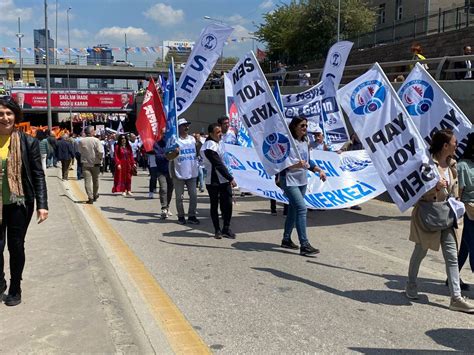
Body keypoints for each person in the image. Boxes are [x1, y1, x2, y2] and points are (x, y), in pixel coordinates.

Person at [405, 129, 474, 313]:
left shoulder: (453, 165)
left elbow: (455, 190)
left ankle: (456, 298)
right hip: (429, 216)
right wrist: (434, 188)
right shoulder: (426, 163)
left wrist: (456, 201)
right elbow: (417, 191)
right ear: (445, 146)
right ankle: (411, 284)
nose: (457, 145)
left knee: (452, 257)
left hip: (448, 216)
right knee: (420, 251)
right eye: (454, 143)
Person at [0, 97, 48, 306]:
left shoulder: (29, 142)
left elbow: (38, 174)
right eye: (1, 113)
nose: (5, 117)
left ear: (15, 116)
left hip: (20, 202)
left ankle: (15, 287)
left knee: (15, 246)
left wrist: (43, 204)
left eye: (9, 113)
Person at [279, 117, 327, 256]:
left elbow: (307, 161)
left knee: (294, 211)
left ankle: (286, 239)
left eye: (306, 125)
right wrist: (295, 165)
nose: (305, 128)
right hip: (289, 180)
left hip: (301, 180)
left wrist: (319, 170)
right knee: (301, 209)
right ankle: (304, 244)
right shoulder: (287, 142)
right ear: (294, 127)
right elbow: (281, 163)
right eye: (302, 125)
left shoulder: (305, 141)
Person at [201, 123, 237, 239]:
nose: (220, 134)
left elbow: (226, 160)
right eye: (217, 132)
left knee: (227, 204)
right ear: (211, 134)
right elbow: (218, 164)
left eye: (221, 131)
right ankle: (217, 229)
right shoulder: (209, 147)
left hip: (224, 179)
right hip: (213, 181)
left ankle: (226, 228)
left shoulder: (219, 142)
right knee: (214, 205)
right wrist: (230, 178)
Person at [167, 118, 200, 225]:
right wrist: (175, 153)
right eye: (184, 125)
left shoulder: (192, 139)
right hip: (178, 172)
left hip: (192, 171)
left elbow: (199, 152)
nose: (187, 127)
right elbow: (168, 157)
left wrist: (199, 142)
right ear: (178, 128)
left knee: (194, 195)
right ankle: (181, 216)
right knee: (179, 197)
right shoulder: (174, 140)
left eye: (187, 125)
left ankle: (192, 215)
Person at [457, 133, 474, 283]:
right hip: (469, 213)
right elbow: (458, 194)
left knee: (464, 247)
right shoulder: (463, 165)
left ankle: (453, 278)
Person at [148, 135, 174, 219]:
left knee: (170, 189)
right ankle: (163, 208)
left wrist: (175, 153)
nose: (165, 136)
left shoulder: (173, 143)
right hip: (161, 171)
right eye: (164, 134)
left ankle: (167, 206)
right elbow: (158, 157)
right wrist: (168, 155)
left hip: (171, 171)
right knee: (163, 189)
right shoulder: (157, 144)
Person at [78, 126, 104, 204]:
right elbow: (100, 151)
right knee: (95, 181)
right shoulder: (96, 140)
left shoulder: (81, 141)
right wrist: (100, 158)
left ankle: (90, 197)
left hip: (85, 163)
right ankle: (95, 194)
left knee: (87, 181)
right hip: (95, 163)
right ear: (92, 132)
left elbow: (79, 151)